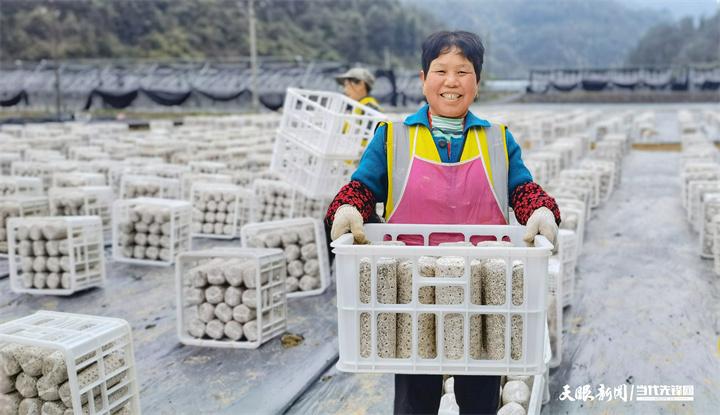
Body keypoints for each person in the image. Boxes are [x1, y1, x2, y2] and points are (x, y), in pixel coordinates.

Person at [324, 31, 561, 414]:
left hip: (485, 295)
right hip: (411, 297)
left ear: (478, 83)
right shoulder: (392, 138)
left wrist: (539, 209)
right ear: (423, 78)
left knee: (480, 396)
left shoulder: (498, 140)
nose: (451, 82)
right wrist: (349, 207)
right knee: (415, 399)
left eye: (463, 72)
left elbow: (523, 189)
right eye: (441, 71)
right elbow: (362, 187)